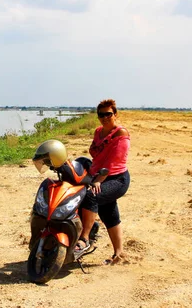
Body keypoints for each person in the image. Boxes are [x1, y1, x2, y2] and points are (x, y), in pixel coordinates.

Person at [74, 99, 131, 265]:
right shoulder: (98, 131)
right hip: (99, 175)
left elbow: (112, 163)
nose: (105, 117)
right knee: (108, 212)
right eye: (101, 115)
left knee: (91, 195)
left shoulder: (121, 134)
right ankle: (119, 253)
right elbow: (95, 153)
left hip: (116, 178)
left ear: (115, 114)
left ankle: (84, 237)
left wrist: (98, 181)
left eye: (108, 114)